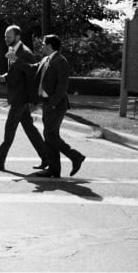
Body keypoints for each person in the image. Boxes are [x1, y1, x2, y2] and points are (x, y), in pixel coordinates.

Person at [0, 25, 47, 171]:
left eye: (9, 37)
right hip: (17, 98)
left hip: (21, 99)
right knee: (30, 129)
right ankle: (47, 158)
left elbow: (32, 73)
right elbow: (17, 72)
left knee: (9, 131)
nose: (6, 39)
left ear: (18, 37)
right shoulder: (13, 50)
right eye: (6, 36)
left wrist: (32, 100)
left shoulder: (25, 52)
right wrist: (4, 76)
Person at [33, 34, 87, 178]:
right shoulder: (46, 59)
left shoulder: (60, 61)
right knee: (50, 135)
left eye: (44, 44)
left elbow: (63, 86)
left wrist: (52, 104)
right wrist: (17, 62)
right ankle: (54, 169)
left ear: (50, 45)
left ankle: (75, 156)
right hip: (46, 103)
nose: (42, 46)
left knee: (50, 135)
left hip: (56, 105)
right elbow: (33, 68)